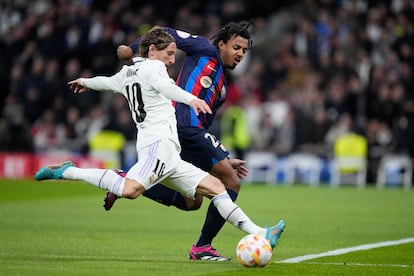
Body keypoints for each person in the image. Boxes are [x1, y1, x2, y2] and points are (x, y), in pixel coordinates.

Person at [34, 26, 285, 257]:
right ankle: (69, 171)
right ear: (152, 50)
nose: (173, 60)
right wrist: (191, 100)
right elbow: (168, 88)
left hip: (168, 149)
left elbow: (106, 82)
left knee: (214, 189)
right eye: (169, 54)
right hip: (158, 145)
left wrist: (86, 82)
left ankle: (262, 234)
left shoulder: (128, 72)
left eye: (174, 54)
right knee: (130, 190)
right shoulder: (154, 68)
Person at [112, 21, 285, 261]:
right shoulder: (204, 49)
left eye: (244, 51)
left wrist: (220, 158)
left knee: (192, 201)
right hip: (184, 124)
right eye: (236, 47)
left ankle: (125, 180)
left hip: (185, 133)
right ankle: (203, 247)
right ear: (221, 44)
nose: (240, 54)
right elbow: (164, 32)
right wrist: (131, 50)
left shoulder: (223, 85)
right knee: (231, 182)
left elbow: (204, 126)